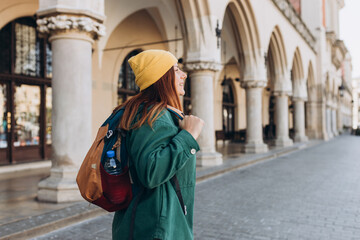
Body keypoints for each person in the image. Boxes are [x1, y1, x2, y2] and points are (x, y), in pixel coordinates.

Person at [112, 49, 204, 240]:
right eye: (176, 69)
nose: (184, 74)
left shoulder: (153, 113)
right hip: (157, 226)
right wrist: (188, 135)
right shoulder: (154, 116)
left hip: (152, 221)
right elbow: (151, 172)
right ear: (162, 77)